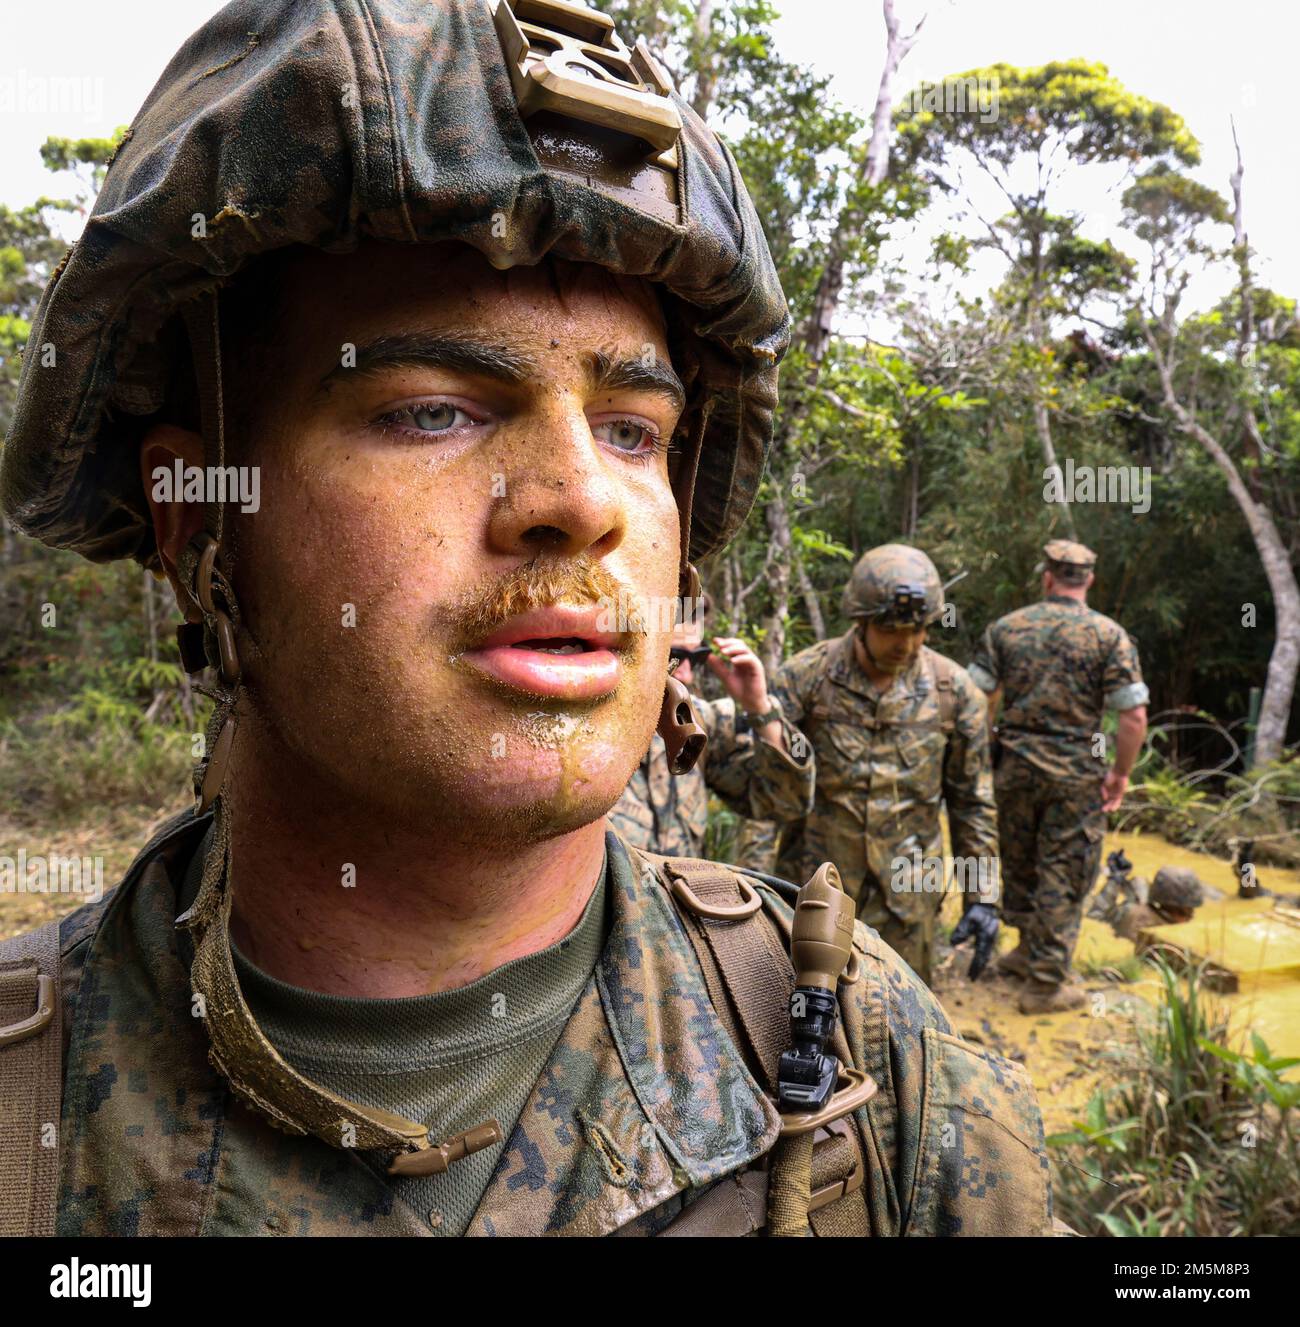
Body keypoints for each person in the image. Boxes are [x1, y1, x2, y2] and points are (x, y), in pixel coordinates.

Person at [0, 0, 1052, 1237]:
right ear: (198, 533)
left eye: (632, 431)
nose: (580, 502)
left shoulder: (858, 1055)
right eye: (432, 410)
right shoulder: (33, 1130)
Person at [770, 545, 1001, 986]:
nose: (907, 643)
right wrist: (756, 892)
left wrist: (983, 897)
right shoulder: (806, 679)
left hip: (911, 899)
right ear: (861, 621)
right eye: (892, 629)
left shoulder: (955, 692)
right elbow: (768, 798)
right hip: (816, 894)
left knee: (905, 1031)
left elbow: (973, 803)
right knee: (797, 1018)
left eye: (918, 629)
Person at [970, 540, 1149, 1013]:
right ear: (1088, 579)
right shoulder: (1108, 635)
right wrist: (1121, 774)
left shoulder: (1007, 628)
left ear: (1047, 576)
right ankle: (1046, 983)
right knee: (1064, 870)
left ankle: (1028, 952)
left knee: (1021, 859)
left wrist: (984, 755)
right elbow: (1132, 717)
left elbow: (974, 698)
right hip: (1075, 773)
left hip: (1014, 767)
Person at [608, 599, 813, 857]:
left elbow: (786, 802)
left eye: (696, 658)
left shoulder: (700, 724)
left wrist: (760, 708)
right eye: (676, 656)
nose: (687, 675)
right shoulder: (580, 732)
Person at [1110, 867, 1204, 942]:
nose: (1189, 920)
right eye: (1186, 914)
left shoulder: (1145, 911)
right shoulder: (1147, 925)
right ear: (1174, 911)